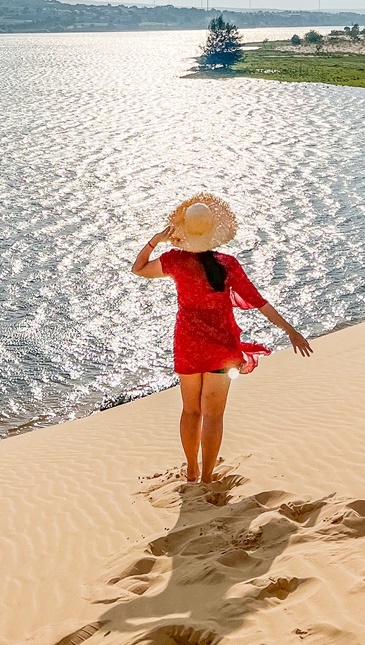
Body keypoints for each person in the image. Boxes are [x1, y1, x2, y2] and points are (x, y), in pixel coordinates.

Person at [132, 193, 313, 483]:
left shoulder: (174, 261)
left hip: (188, 344)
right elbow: (258, 301)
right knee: (213, 415)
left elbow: (138, 268)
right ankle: (206, 476)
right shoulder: (227, 264)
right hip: (221, 347)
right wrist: (289, 330)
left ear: (182, 233)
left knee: (191, 411)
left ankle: (191, 470)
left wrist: (155, 240)